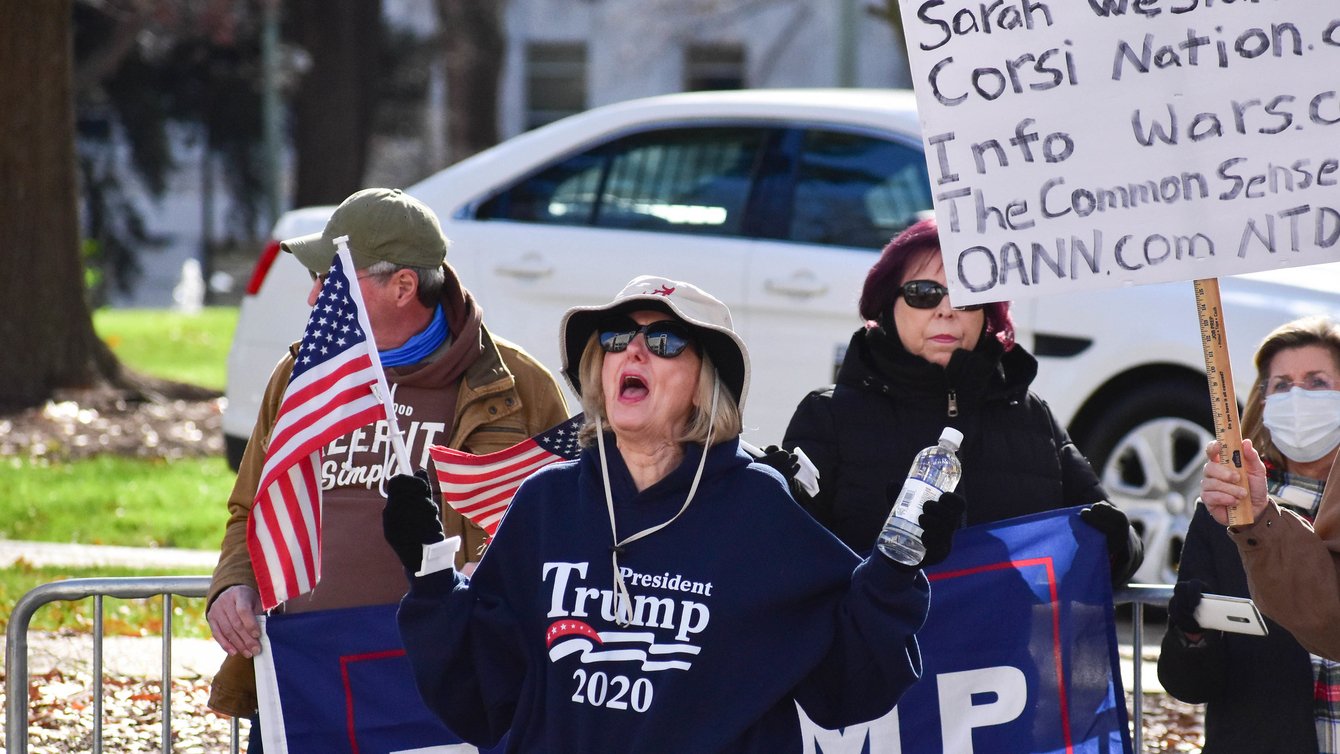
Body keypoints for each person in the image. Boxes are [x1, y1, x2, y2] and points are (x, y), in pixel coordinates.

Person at [381, 275, 963, 752]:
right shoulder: (546, 503)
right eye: (615, 338)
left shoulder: (759, 511)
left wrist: (896, 568)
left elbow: (847, 688)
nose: (632, 351)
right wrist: (431, 576)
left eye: (663, 343)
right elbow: (482, 699)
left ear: (704, 385)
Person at [203, 188, 570, 741]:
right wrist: (234, 584)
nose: (314, 299)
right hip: (305, 677)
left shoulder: (518, 386)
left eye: (332, 278)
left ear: (403, 286)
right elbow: (251, 507)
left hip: (443, 683)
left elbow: (566, 531)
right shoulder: (301, 375)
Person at [782, 217, 1142, 583]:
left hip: (1005, 639)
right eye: (923, 293)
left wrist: (1115, 544)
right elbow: (786, 561)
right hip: (882, 641)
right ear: (885, 305)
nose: (946, 310)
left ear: (989, 312)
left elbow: (1116, 549)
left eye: (967, 295)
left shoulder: (1033, 416)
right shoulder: (829, 416)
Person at [1163, 315, 1340, 753]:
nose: (1297, 397)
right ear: (1263, 401)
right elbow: (1188, 683)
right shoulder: (1227, 510)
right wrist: (1191, 636)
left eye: (1317, 382)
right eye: (1282, 385)